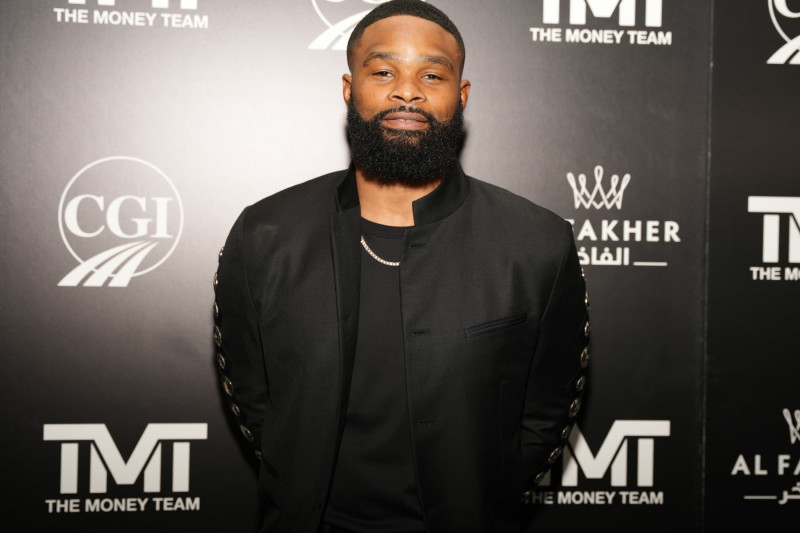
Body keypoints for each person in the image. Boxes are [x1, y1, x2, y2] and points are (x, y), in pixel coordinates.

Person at [212, 1, 590, 532]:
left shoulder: (536, 242)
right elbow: (255, 401)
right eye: (384, 71)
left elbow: (546, 411)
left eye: (431, 75)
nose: (406, 91)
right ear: (350, 88)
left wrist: (482, 494)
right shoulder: (266, 234)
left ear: (460, 96)